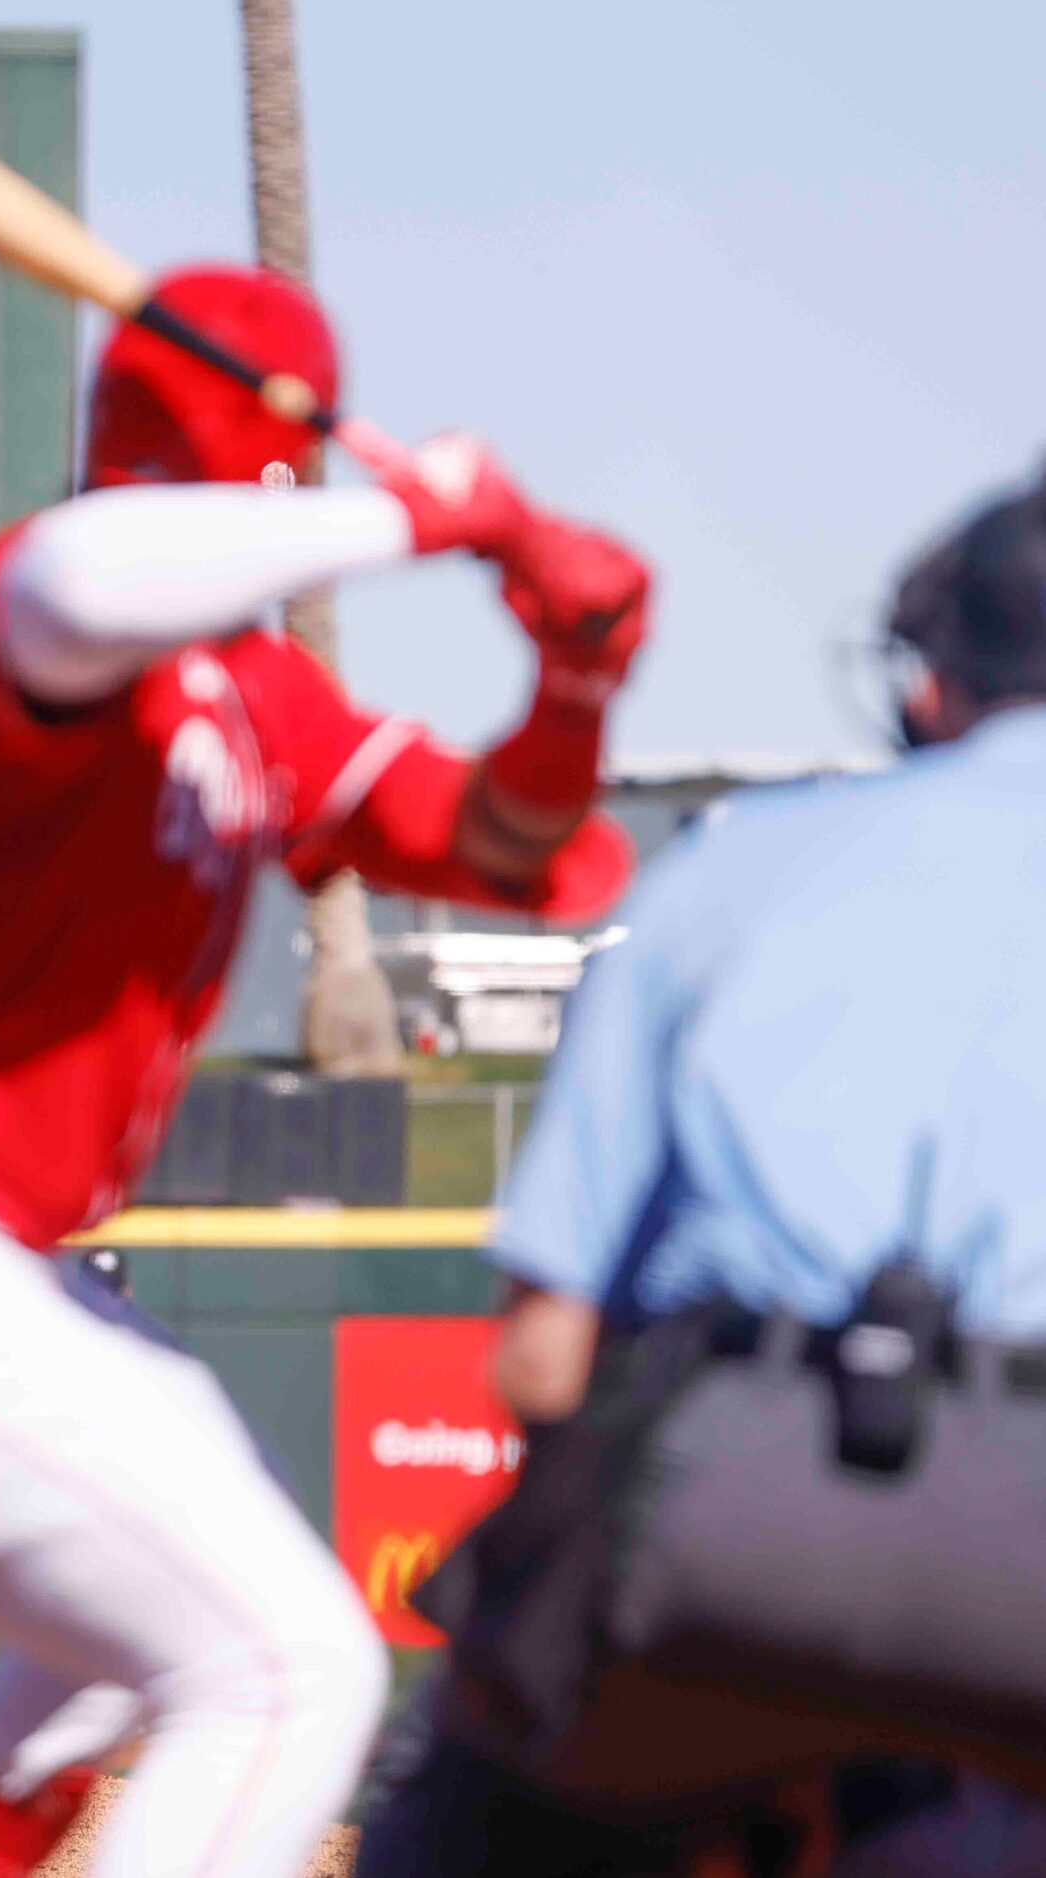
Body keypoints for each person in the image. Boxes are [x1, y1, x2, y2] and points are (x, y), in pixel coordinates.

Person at [0, 263, 653, 1878]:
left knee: (116, 1637)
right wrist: (419, 522)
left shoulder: (261, 697)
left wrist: (573, 681)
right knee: (289, 1664)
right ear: (282, 461)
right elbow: (89, 574)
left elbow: (514, 847)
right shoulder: (43, 598)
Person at [354, 465, 1046, 1875]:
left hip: (735, 1505)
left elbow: (541, 1361)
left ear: (929, 677)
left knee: (480, 1801)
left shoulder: (740, 863)